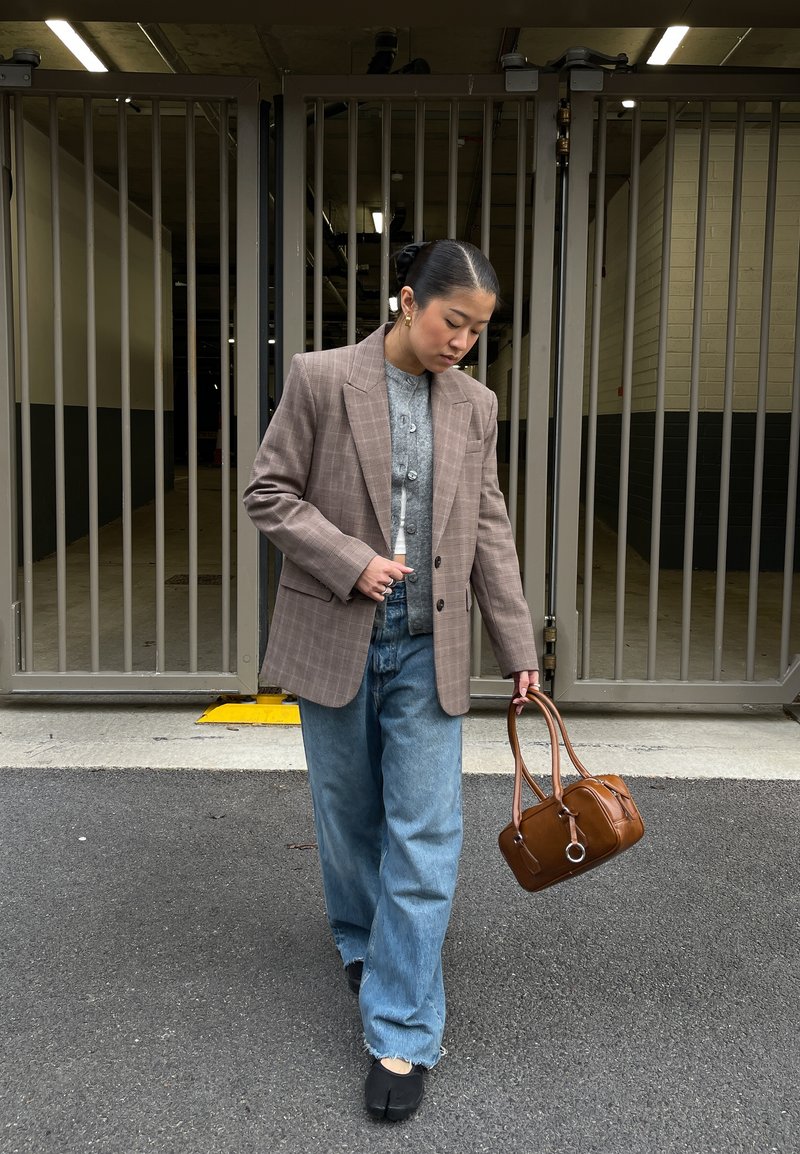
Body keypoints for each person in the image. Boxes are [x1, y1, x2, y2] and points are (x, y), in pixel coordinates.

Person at [243, 239, 538, 1122]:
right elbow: (269, 493)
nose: (465, 344)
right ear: (408, 301)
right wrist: (353, 561)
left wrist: (518, 646)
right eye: (455, 322)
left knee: (427, 834)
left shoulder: (476, 405)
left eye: (480, 330)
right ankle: (361, 940)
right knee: (349, 818)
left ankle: (402, 1035)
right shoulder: (322, 377)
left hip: (427, 647)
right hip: (335, 630)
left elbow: (489, 526)